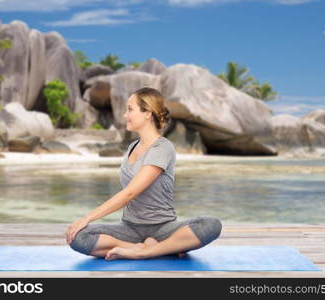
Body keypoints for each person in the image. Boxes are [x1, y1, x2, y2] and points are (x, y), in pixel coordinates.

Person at [65, 87, 222, 260]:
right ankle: (146, 248)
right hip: (130, 228)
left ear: (147, 113)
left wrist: (87, 218)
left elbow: (130, 192)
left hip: (164, 228)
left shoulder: (163, 147)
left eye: (130, 109)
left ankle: (147, 251)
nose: (125, 115)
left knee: (211, 225)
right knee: (78, 237)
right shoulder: (132, 147)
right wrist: (84, 224)